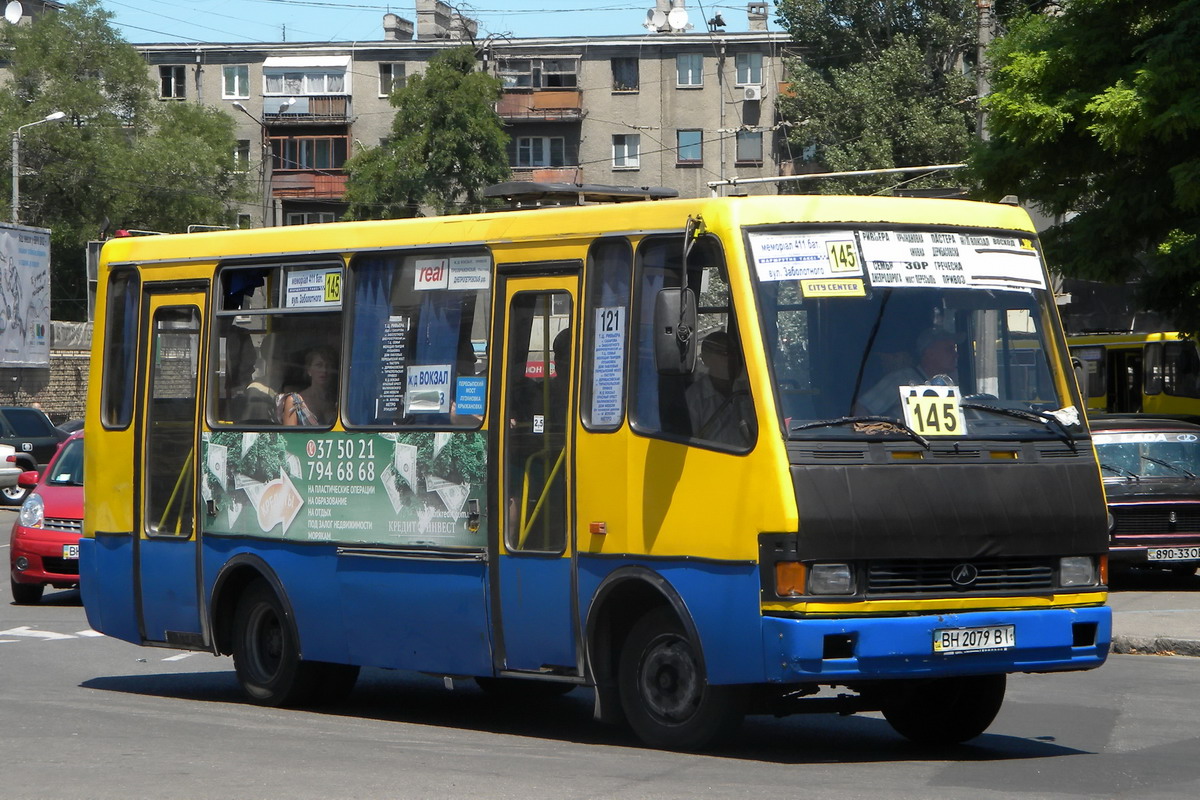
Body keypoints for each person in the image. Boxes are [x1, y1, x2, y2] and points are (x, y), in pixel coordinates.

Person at [856, 326, 958, 418]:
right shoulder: (899, 380)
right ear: (930, 353)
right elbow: (862, 408)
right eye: (949, 350)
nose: (955, 355)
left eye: (954, 350)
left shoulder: (951, 383)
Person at [686, 329, 754, 446]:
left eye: (734, 353)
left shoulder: (749, 390)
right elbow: (690, 440)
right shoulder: (695, 396)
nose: (731, 359)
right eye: (724, 354)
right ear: (706, 359)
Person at [279, 345, 337, 426]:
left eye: (329, 366)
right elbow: (289, 436)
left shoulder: (337, 400)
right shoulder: (294, 401)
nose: (324, 370)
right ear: (309, 370)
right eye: (319, 365)